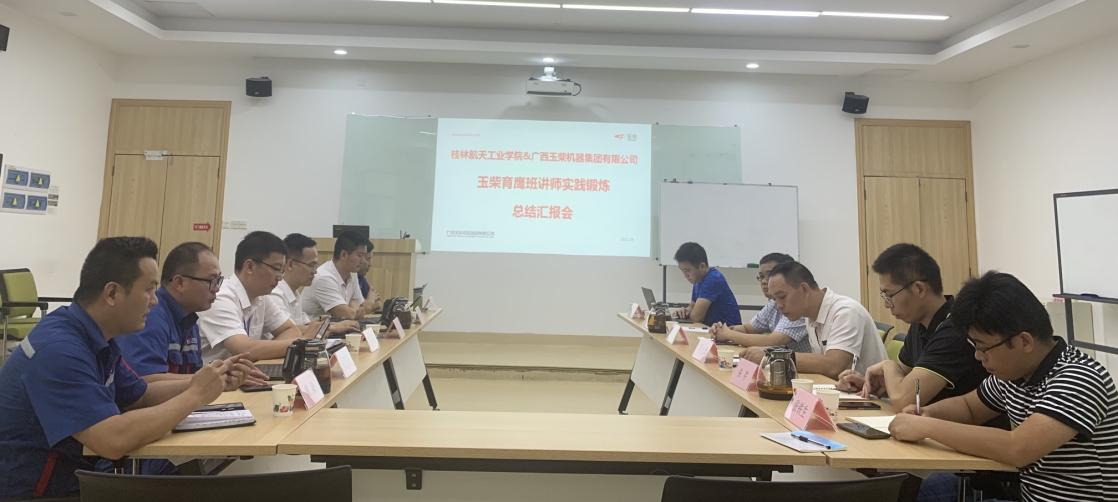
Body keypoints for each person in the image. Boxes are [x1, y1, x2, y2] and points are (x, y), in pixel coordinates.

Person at [0, 237, 233, 498]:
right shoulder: (59, 349)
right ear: (111, 293)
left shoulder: (95, 335)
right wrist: (195, 395)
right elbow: (112, 440)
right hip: (38, 494)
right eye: (149, 290)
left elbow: (140, 396)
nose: (154, 301)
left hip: (77, 478)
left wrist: (207, 380)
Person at [890, 271, 1118, 502]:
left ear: (1024, 341)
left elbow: (1017, 448)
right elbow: (969, 407)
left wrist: (927, 427)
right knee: (913, 489)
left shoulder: (1078, 378)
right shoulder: (1013, 375)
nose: (978, 356)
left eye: (983, 347)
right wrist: (928, 412)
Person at [835, 244, 986, 412]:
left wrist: (888, 365)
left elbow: (903, 400)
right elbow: (904, 377)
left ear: (919, 289)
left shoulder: (954, 329)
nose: (886, 304)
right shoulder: (919, 324)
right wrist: (868, 384)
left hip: (961, 426)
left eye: (889, 295)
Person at [742, 261, 886, 378]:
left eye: (782, 297)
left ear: (804, 289)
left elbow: (833, 365)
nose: (779, 306)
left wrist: (772, 357)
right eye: (775, 299)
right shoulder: (809, 316)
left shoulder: (846, 312)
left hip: (871, 400)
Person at [198, 231, 308, 362]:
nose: (280, 277)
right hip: (213, 374)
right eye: (276, 268)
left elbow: (291, 330)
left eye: (282, 271)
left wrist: (261, 351)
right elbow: (245, 350)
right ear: (250, 266)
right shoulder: (220, 297)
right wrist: (301, 344)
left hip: (244, 371)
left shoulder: (262, 297)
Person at [709, 252, 810, 353]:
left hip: (800, 362)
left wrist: (728, 334)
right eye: (761, 276)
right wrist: (721, 330)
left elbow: (774, 341)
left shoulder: (797, 304)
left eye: (770, 275)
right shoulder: (772, 303)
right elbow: (747, 328)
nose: (764, 281)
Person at [269, 233, 359, 335]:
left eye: (316, 266)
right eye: (311, 265)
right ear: (290, 264)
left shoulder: (294, 293)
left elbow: (306, 325)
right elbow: (288, 331)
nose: (315, 271)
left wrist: (333, 325)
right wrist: (332, 328)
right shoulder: (276, 294)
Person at [301, 231, 379, 320]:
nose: (363, 261)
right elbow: (347, 315)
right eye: (359, 256)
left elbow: (359, 305)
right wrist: (367, 304)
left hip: (337, 326)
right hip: (312, 328)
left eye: (365, 256)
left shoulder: (352, 274)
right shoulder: (324, 278)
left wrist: (355, 308)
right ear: (343, 255)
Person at [672, 242, 742, 327]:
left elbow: (696, 318)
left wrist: (689, 313)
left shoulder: (713, 279)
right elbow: (692, 305)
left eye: (687, 271)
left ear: (702, 266)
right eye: (683, 271)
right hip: (713, 329)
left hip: (729, 332)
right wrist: (684, 311)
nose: (685, 275)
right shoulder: (698, 279)